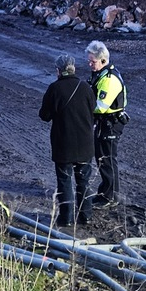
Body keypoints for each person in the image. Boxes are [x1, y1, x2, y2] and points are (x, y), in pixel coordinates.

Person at [39, 54, 96, 228]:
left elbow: (44, 115)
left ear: (58, 70)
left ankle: (67, 219)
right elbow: (93, 109)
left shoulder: (54, 88)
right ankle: (86, 216)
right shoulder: (85, 87)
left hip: (64, 144)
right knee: (83, 181)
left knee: (64, 181)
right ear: (73, 68)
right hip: (85, 144)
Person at [86, 40, 126, 208]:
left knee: (107, 159)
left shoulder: (109, 79)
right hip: (105, 123)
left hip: (110, 123)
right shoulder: (101, 74)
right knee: (102, 158)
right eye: (89, 61)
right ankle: (105, 193)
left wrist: (83, 108)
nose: (90, 64)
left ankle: (111, 197)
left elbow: (100, 107)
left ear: (103, 60)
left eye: (93, 61)